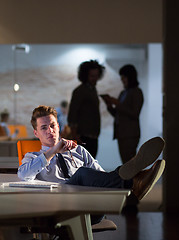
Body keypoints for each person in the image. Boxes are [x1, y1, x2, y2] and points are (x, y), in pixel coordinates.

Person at [18, 105, 165, 224]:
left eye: (52, 125)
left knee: (95, 175)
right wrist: (53, 152)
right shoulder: (33, 157)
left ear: (59, 126)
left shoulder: (78, 150)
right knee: (81, 173)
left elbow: (102, 177)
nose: (50, 131)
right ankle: (134, 182)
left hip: (91, 208)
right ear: (36, 133)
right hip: (58, 209)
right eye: (44, 127)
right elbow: (23, 175)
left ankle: (132, 181)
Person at [100, 64, 144, 212]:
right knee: (127, 167)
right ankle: (131, 200)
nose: (122, 80)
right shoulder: (124, 93)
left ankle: (133, 201)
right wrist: (109, 106)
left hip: (130, 134)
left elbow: (134, 113)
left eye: (124, 77)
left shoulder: (136, 92)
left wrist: (117, 104)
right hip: (122, 134)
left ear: (130, 77)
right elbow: (119, 115)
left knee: (130, 168)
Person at [67, 60, 105, 158]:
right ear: (85, 76)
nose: (95, 79)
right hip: (83, 136)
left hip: (92, 135)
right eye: (92, 76)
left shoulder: (92, 90)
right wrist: (75, 134)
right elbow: (73, 113)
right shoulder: (80, 91)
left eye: (96, 76)